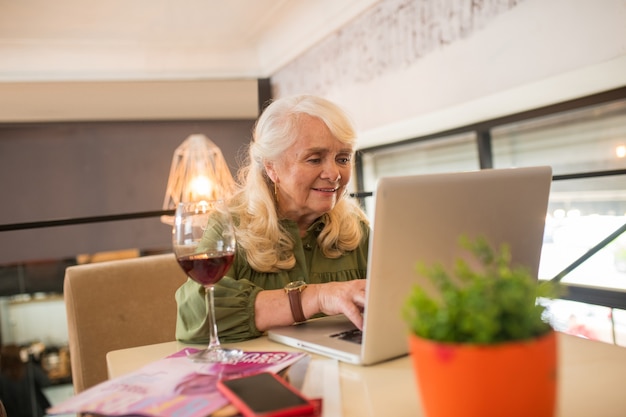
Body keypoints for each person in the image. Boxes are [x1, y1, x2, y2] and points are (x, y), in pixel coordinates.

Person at [176, 94, 370, 343]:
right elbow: (196, 317)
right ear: (271, 167)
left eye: (343, 159)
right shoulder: (231, 226)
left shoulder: (357, 227)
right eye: (314, 159)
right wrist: (315, 297)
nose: (334, 173)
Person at [0, 344, 51, 417]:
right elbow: (46, 382)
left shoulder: (1, 376)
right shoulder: (29, 369)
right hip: (34, 412)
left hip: (12, 414)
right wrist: (36, 361)